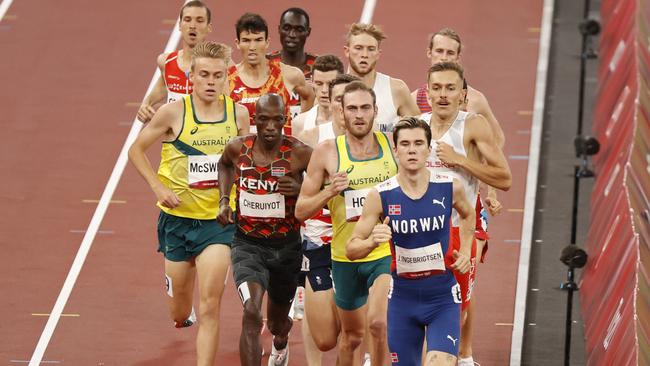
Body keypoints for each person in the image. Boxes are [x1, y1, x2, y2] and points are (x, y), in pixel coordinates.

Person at [128, 42, 250, 366]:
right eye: (204, 75)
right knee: (180, 312)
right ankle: (182, 307)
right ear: (191, 76)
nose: (211, 82)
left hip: (218, 224)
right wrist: (157, 187)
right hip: (177, 221)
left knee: (211, 307)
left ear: (227, 78)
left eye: (218, 76)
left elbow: (244, 163)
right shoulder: (173, 112)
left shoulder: (238, 114)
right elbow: (135, 151)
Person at [348, 117, 476, 366]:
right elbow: (352, 249)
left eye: (418, 143)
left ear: (429, 148)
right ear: (395, 150)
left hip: (443, 298)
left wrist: (465, 250)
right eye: (405, 144)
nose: (412, 149)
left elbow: (469, 214)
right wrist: (372, 242)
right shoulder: (381, 195)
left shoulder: (450, 187)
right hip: (402, 302)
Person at [296, 81, 397, 366]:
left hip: (384, 253)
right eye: (352, 108)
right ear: (341, 112)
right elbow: (301, 211)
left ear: (376, 110)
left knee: (378, 325)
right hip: (345, 256)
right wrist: (329, 191)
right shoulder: (327, 152)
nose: (359, 114)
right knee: (350, 338)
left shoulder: (392, 148)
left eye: (365, 107)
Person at [422, 61, 512, 365]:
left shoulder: (472, 125)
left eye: (450, 88)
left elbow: (504, 177)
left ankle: (464, 356)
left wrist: (461, 160)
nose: (443, 95)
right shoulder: (414, 128)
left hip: (459, 233)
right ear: (428, 93)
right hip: (418, 233)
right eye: (437, 88)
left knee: (453, 317)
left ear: (463, 94)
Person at [217, 93, 313, 366]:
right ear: (255, 120)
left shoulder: (300, 153)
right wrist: (224, 201)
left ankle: (280, 343)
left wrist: (301, 189)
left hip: (287, 248)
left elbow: (325, 185)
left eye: (276, 120)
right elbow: (224, 164)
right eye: (263, 120)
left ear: (286, 120)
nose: (270, 127)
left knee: (277, 324)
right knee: (251, 312)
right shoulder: (238, 148)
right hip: (248, 245)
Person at [295, 73, 359, 366]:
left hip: (358, 246)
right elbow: (299, 199)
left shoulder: (375, 146)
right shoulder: (312, 139)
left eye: (352, 103)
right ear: (331, 104)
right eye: (339, 101)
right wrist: (329, 191)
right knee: (326, 338)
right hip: (319, 241)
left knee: (355, 330)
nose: (346, 109)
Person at [228, 13, 314, 136]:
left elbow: (309, 96)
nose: (252, 47)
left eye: (258, 40)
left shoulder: (288, 74)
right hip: (244, 153)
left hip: (282, 153)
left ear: (267, 42)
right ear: (237, 43)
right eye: (246, 40)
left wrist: (300, 126)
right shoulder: (228, 79)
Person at [137, 1, 213, 123]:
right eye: (187, 20)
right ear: (179, 25)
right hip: (172, 140)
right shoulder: (166, 62)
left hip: (205, 139)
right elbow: (163, 87)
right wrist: (146, 104)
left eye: (199, 20)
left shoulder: (219, 66)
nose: (192, 26)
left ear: (209, 27)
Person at [343, 23, 420, 132]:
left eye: (371, 49)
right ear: (347, 51)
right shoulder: (332, 91)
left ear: (378, 54)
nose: (364, 54)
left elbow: (418, 131)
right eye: (358, 48)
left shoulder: (396, 89)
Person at [267, 7, 318, 120]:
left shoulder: (320, 67)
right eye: (287, 28)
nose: (292, 34)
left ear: (308, 32)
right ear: (279, 29)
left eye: (299, 30)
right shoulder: (266, 64)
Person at [292, 55, 345, 138]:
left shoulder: (352, 124)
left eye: (330, 84)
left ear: (342, 83)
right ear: (312, 81)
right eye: (319, 84)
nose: (324, 90)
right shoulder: (299, 124)